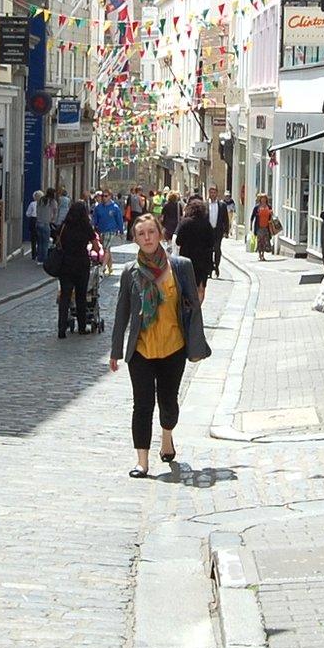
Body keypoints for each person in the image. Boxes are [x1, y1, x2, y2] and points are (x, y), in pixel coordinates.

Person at [109, 214, 211, 477]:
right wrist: (115, 351)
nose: (147, 238)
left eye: (151, 232)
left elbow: (193, 308)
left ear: (160, 234)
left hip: (173, 347)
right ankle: (142, 461)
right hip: (141, 349)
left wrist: (196, 346)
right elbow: (122, 312)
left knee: (168, 402)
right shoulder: (130, 272)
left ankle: (167, 436)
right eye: (141, 234)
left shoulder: (180, 267)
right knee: (142, 405)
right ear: (135, 240)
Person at [53, 198, 98, 338]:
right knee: (81, 296)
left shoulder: (64, 226)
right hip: (81, 264)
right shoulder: (86, 227)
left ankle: (61, 329)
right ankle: (82, 327)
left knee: (65, 297)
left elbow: (56, 240)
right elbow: (96, 246)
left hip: (65, 264)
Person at [173, 193, 219, 290]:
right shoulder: (207, 224)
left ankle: (190, 304)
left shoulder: (184, 223)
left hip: (187, 259)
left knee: (187, 286)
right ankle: (198, 304)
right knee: (201, 286)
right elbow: (211, 242)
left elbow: (178, 241)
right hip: (203, 260)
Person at [205, 187, 232, 278]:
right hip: (207, 231)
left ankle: (216, 266)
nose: (212, 194)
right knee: (208, 251)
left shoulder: (222, 205)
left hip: (218, 231)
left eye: (214, 192)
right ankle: (209, 268)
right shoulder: (205, 205)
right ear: (209, 193)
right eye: (211, 192)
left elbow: (226, 219)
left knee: (217, 249)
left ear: (217, 194)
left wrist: (226, 231)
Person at [250, 193, 280, 260]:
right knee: (260, 241)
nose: (263, 200)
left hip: (266, 226)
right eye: (262, 199)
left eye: (264, 199)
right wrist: (251, 226)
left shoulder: (269, 207)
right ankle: (260, 255)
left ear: (266, 200)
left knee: (265, 241)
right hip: (259, 227)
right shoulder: (257, 207)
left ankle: (263, 254)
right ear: (260, 200)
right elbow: (252, 217)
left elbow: (271, 216)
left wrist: (271, 215)